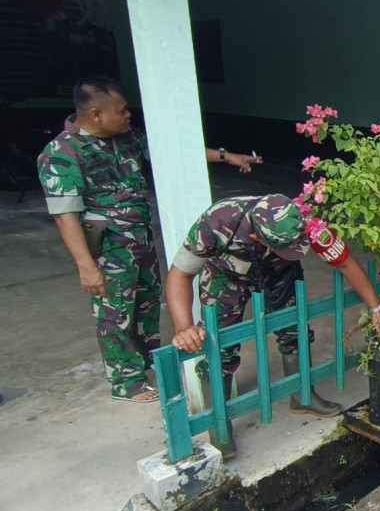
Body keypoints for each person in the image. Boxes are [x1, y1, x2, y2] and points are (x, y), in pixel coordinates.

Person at [37, 77, 261, 403]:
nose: (128, 115)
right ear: (96, 113)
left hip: (139, 240)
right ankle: (126, 382)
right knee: (115, 313)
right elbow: (64, 215)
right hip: (108, 249)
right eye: (122, 110)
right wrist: (86, 266)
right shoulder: (62, 154)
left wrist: (227, 156)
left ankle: (145, 360)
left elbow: (175, 155)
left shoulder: (125, 138)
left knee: (145, 305)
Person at [165, 194, 380, 459]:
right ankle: (218, 423)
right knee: (220, 346)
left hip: (278, 273)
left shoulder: (309, 223)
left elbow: (345, 263)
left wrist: (378, 309)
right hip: (226, 275)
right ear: (256, 237)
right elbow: (181, 273)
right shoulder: (216, 221)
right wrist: (183, 326)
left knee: (295, 332)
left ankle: (302, 396)